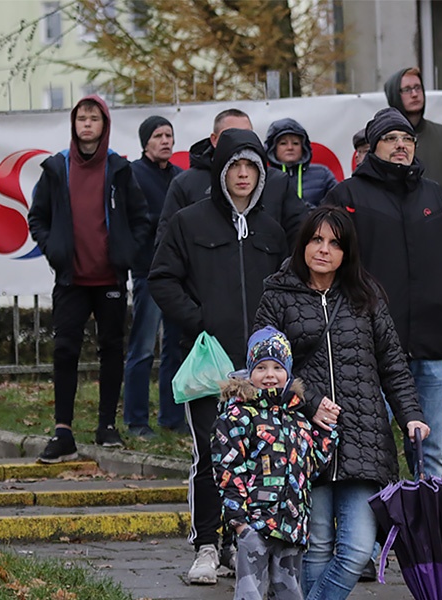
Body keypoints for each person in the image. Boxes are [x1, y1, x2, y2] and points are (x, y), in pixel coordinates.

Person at [254, 205, 430, 600]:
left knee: (354, 550)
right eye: (317, 239)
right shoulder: (277, 297)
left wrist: (411, 417)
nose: (324, 250)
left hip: (362, 439)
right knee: (316, 547)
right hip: (303, 442)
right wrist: (310, 402)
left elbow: (394, 366)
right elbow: (263, 371)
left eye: (335, 243)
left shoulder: (366, 297)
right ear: (303, 243)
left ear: (346, 252)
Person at [149, 128, 289, 585]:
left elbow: (288, 287)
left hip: (264, 368)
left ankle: (238, 543)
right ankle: (206, 545)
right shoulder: (190, 222)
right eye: (236, 166)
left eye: (252, 167)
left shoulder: (272, 229)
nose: (244, 175)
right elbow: (162, 279)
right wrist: (200, 321)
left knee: (257, 455)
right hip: (211, 364)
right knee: (212, 451)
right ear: (221, 171)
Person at [323, 108, 442, 480]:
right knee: (370, 455)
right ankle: (375, 540)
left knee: (433, 453)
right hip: (370, 354)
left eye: (407, 139)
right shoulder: (346, 197)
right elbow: (325, 264)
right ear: (373, 146)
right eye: (391, 139)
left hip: (434, 348)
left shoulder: (437, 196)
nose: (401, 146)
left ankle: (434, 539)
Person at [28, 95, 150, 463]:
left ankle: (106, 426)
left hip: (109, 278)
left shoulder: (119, 169)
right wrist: (55, 249)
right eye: (81, 118)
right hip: (71, 279)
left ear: (104, 125)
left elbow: (142, 218)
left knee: (112, 350)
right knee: (65, 351)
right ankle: (63, 431)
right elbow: (38, 217)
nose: (86, 124)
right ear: (73, 124)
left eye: (93, 118)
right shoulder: (55, 168)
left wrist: (125, 253)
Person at [212, 326, 337, 600]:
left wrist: (327, 431)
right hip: (254, 525)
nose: (270, 375)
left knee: (290, 592)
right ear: (250, 372)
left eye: (277, 368)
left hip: (291, 526)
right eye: (261, 368)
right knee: (250, 592)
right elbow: (228, 470)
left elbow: (313, 466)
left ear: (288, 372)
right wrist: (239, 523)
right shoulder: (238, 417)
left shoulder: (298, 418)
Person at [384, 66, 442, 410]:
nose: (414, 93)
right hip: (397, 243)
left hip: (437, 234)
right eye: (406, 88)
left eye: (418, 87)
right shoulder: (382, 140)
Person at [157, 108, 306, 250]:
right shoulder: (185, 184)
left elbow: (300, 235)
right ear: (214, 140)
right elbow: (167, 247)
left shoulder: (277, 182)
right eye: (230, 134)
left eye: (246, 134)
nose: (240, 140)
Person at [123, 116, 185, 439]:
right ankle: (136, 420)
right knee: (143, 348)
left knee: (174, 347)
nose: (165, 141)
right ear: (145, 142)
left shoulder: (178, 177)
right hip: (148, 271)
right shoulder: (133, 174)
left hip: (177, 274)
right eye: (158, 135)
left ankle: (172, 417)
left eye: (169, 135)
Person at [264, 118, 338, 207]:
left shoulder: (323, 174)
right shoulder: (264, 176)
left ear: (303, 147)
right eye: (283, 143)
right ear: (273, 148)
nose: (290, 147)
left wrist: (313, 215)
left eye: (295, 143)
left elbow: (337, 206)